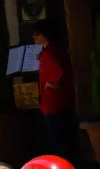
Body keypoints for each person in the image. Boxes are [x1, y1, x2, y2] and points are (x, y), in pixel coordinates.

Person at [33, 19, 77, 160]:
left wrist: (48, 85)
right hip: (60, 103)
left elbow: (56, 78)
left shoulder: (50, 53)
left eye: (37, 34)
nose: (34, 37)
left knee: (60, 144)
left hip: (53, 104)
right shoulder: (52, 50)